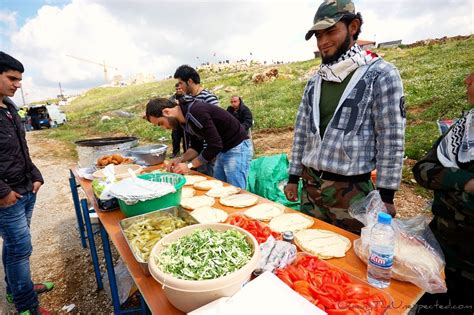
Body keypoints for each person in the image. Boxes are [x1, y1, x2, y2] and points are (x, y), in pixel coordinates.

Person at [284, 0, 406, 235]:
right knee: (308, 250)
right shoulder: (315, 81)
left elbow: (391, 138)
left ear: (353, 27)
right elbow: (301, 132)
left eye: (330, 32)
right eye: (318, 35)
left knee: (349, 256)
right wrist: (293, 177)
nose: (323, 42)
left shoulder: (380, 75)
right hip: (311, 187)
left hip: (350, 192)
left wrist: (386, 194)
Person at [412, 72, 474, 314]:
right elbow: (423, 170)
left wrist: (448, 184)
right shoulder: (464, 128)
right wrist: (466, 182)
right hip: (439, 251)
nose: (466, 81)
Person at [0, 52, 53, 315]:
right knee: (20, 249)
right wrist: (3, 192)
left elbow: (21, 149)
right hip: (7, 197)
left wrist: (36, 174)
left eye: (19, 79)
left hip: (24, 190)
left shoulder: (9, 108)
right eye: (11, 78)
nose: (17, 84)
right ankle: (27, 306)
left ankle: (18, 289)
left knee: (13, 246)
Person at [145, 97, 252, 189]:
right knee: (221, 187)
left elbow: (215, 145)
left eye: (161, 123)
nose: (165, 128)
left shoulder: (195, 112)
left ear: (167, 112)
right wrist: (180, 159)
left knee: (236, 191)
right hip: (223, 149)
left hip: (237, 147)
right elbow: (197, 145)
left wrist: (189, 165)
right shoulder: (184, 120)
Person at [173, 65, 220, 176]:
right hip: (196, 150)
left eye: (181, 83)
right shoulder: (187, 99)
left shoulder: (209, 98)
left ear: (189, 81)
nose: (180, 87)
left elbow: (217, 128)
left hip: (211, 152)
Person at [168, 83, 186, 158]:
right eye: (177, 89)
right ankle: (175, 153)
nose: (178, 90)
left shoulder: (186, 96)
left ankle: (186, 153)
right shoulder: (172, 98)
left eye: (180, 88)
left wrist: (180, 103)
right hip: (175, 123)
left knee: (185, 139)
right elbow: (168, 105)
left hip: (184, 122)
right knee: (175, 138)